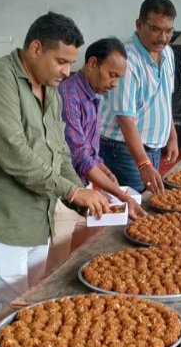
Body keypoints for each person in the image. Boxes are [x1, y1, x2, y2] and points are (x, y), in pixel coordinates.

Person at [0, 12, 110, 314]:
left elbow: (60, 153)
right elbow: (14, 154)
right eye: (61, 61)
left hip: (37, 220)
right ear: (36, 48)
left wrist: (83, 196)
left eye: (71, 63)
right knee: (12, 313)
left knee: (33, 307)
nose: (68, 72)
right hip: (3, 221)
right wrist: (72, 193)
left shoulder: (50, 93)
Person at [98, 0, 179, 194]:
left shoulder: (168, 54)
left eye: (168, 31)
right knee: (135, 210)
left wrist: (172, 136)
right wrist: (143, 164)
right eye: (155, 29)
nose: (163, 38)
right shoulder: (126, 60)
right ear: (139, 24)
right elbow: (125, 119)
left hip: (151, 150)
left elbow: (164, 99)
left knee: (148, 205)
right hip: (123, 150)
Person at [60, 37, 144, 218]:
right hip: (66, 188)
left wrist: (104, 169)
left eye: (118, 78)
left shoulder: (94, 95)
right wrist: (121, 195)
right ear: (92, 63)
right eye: (111, 75)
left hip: (83, 184)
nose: (114, 83)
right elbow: (80, 157)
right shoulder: (69, 95)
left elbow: (90, 152)